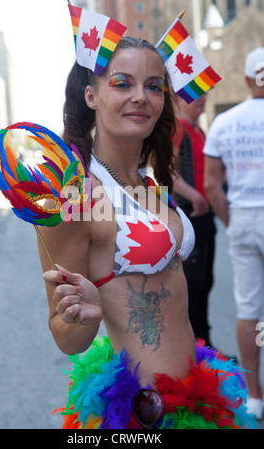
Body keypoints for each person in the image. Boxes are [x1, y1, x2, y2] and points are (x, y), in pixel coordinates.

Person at [40, 36, 255, 429]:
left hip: (200, 393)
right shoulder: (75, 194)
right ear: (91, 95)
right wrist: (84, 318)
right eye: (122, 83)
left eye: (154, 86)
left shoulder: (148, 182)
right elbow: (64, 336)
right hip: (145, 415)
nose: (141, 96)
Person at [204, 47, 264, 420]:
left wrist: (231, 221)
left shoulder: (225, 123)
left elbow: (212, 186)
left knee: (249, 309)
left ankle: (255, 396)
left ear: (245, 79)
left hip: (242, 216)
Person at [173, 93, 217, 347]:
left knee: (205, 284)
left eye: (203, 93)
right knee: (195, 286)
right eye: (193, 94)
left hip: (204, 215)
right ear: (179, 99)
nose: (201, 98)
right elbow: (165, 168)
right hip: (191, 212)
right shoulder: (178, 128)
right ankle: (199, 351)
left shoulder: (197, 129)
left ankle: (206, 346)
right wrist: (196, 197)